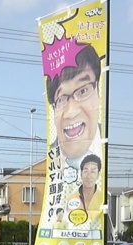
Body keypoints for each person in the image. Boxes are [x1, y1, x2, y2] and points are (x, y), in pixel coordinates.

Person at [46, 43, 102, 173]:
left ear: (98, 90)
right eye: (61, 99)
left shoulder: (107, 145)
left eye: (83, 91)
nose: (71, 112)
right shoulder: (52, 157)